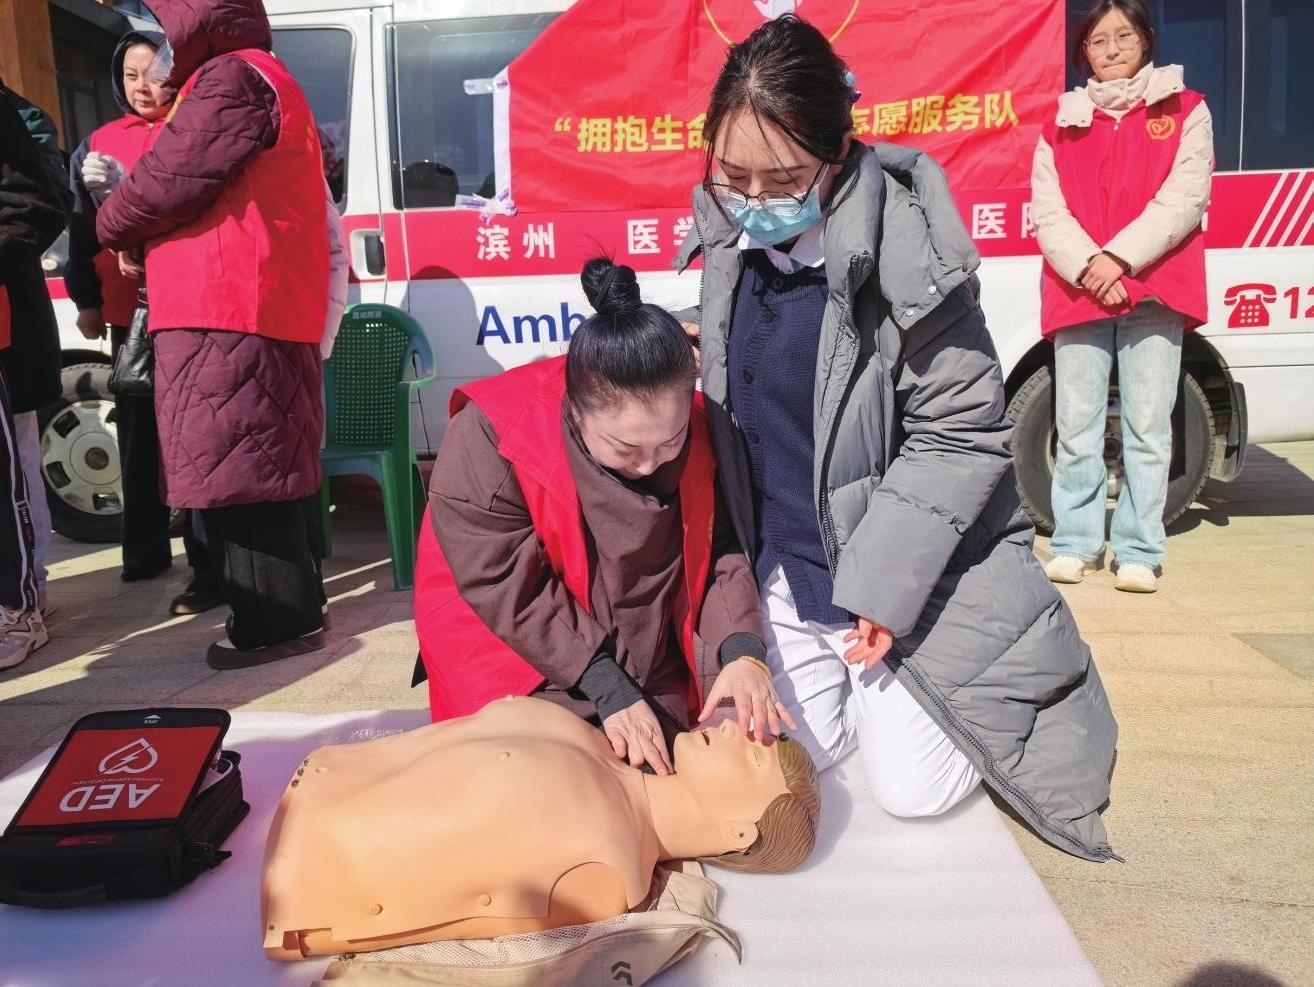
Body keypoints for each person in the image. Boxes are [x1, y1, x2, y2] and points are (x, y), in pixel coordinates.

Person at [676, 15, 1117, 860]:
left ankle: (941, 683)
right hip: (793, 572)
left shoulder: (910, 254)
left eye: (784, 179)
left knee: (909, 794)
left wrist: (882, 588)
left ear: (837, 157)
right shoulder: (730, 246)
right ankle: (857, 689)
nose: (756, 202)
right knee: (796, 752)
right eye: (734, 177)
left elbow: (962, 431)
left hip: (901, 582)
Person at [416, 258, 794, 776]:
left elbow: (722, 545)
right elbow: (503, 582)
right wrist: (607, 688)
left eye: (669, 442)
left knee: (670, 769)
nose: (648, 463)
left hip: (644, 649)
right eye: (624, 448)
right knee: (540, 782)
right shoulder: (493, 433)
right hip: (520, 652)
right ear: (574, 409)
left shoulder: (703, 431)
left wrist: (744, 652)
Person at [95, 0, 340, 668]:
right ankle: (290, 611)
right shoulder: (255, 75)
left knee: (240, 471)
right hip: (250, 305)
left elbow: (163, 182)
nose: (161, 45)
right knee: (258, 466)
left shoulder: (231, 79)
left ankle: (272, 624)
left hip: (228, 305)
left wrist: (111, 219)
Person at [262, 696, 819, 957]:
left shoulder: (605, 873)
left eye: (753, 757)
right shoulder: (596, 739)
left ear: (738, 833)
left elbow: (445, 919)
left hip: (300, 876)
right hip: (326, 779)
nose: (734, 730)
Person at [1032, 0, 1212, 594]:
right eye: (1098, 40)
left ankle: (1138, 548)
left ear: (1146, 39)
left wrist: (1118, 260)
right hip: (1081, 290)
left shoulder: (1185, 109)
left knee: (1148, 427)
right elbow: (1048, 211)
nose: (1110, 49)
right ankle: (1076, 544)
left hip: (1154, 289)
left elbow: (1184, 198)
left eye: (1123, 36)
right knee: (1076, 425)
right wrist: (1090, 266)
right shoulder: (1059, 121)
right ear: (1083, 51)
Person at [65, 29, 222, 612]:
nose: (142, 86)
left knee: (194, 440)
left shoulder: (195, 133)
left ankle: (207, 562)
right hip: (128, 315)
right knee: (137, 438)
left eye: (152, 72)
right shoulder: (99, 144)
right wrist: (86, 298)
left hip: (189, 309)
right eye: (130, 76)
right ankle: (145, 551)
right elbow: (82, 228)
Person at [0, 77, 66, 669]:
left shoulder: (18, 116)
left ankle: (26, 596)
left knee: (14, 461)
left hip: (10, 320)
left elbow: (39, 200)